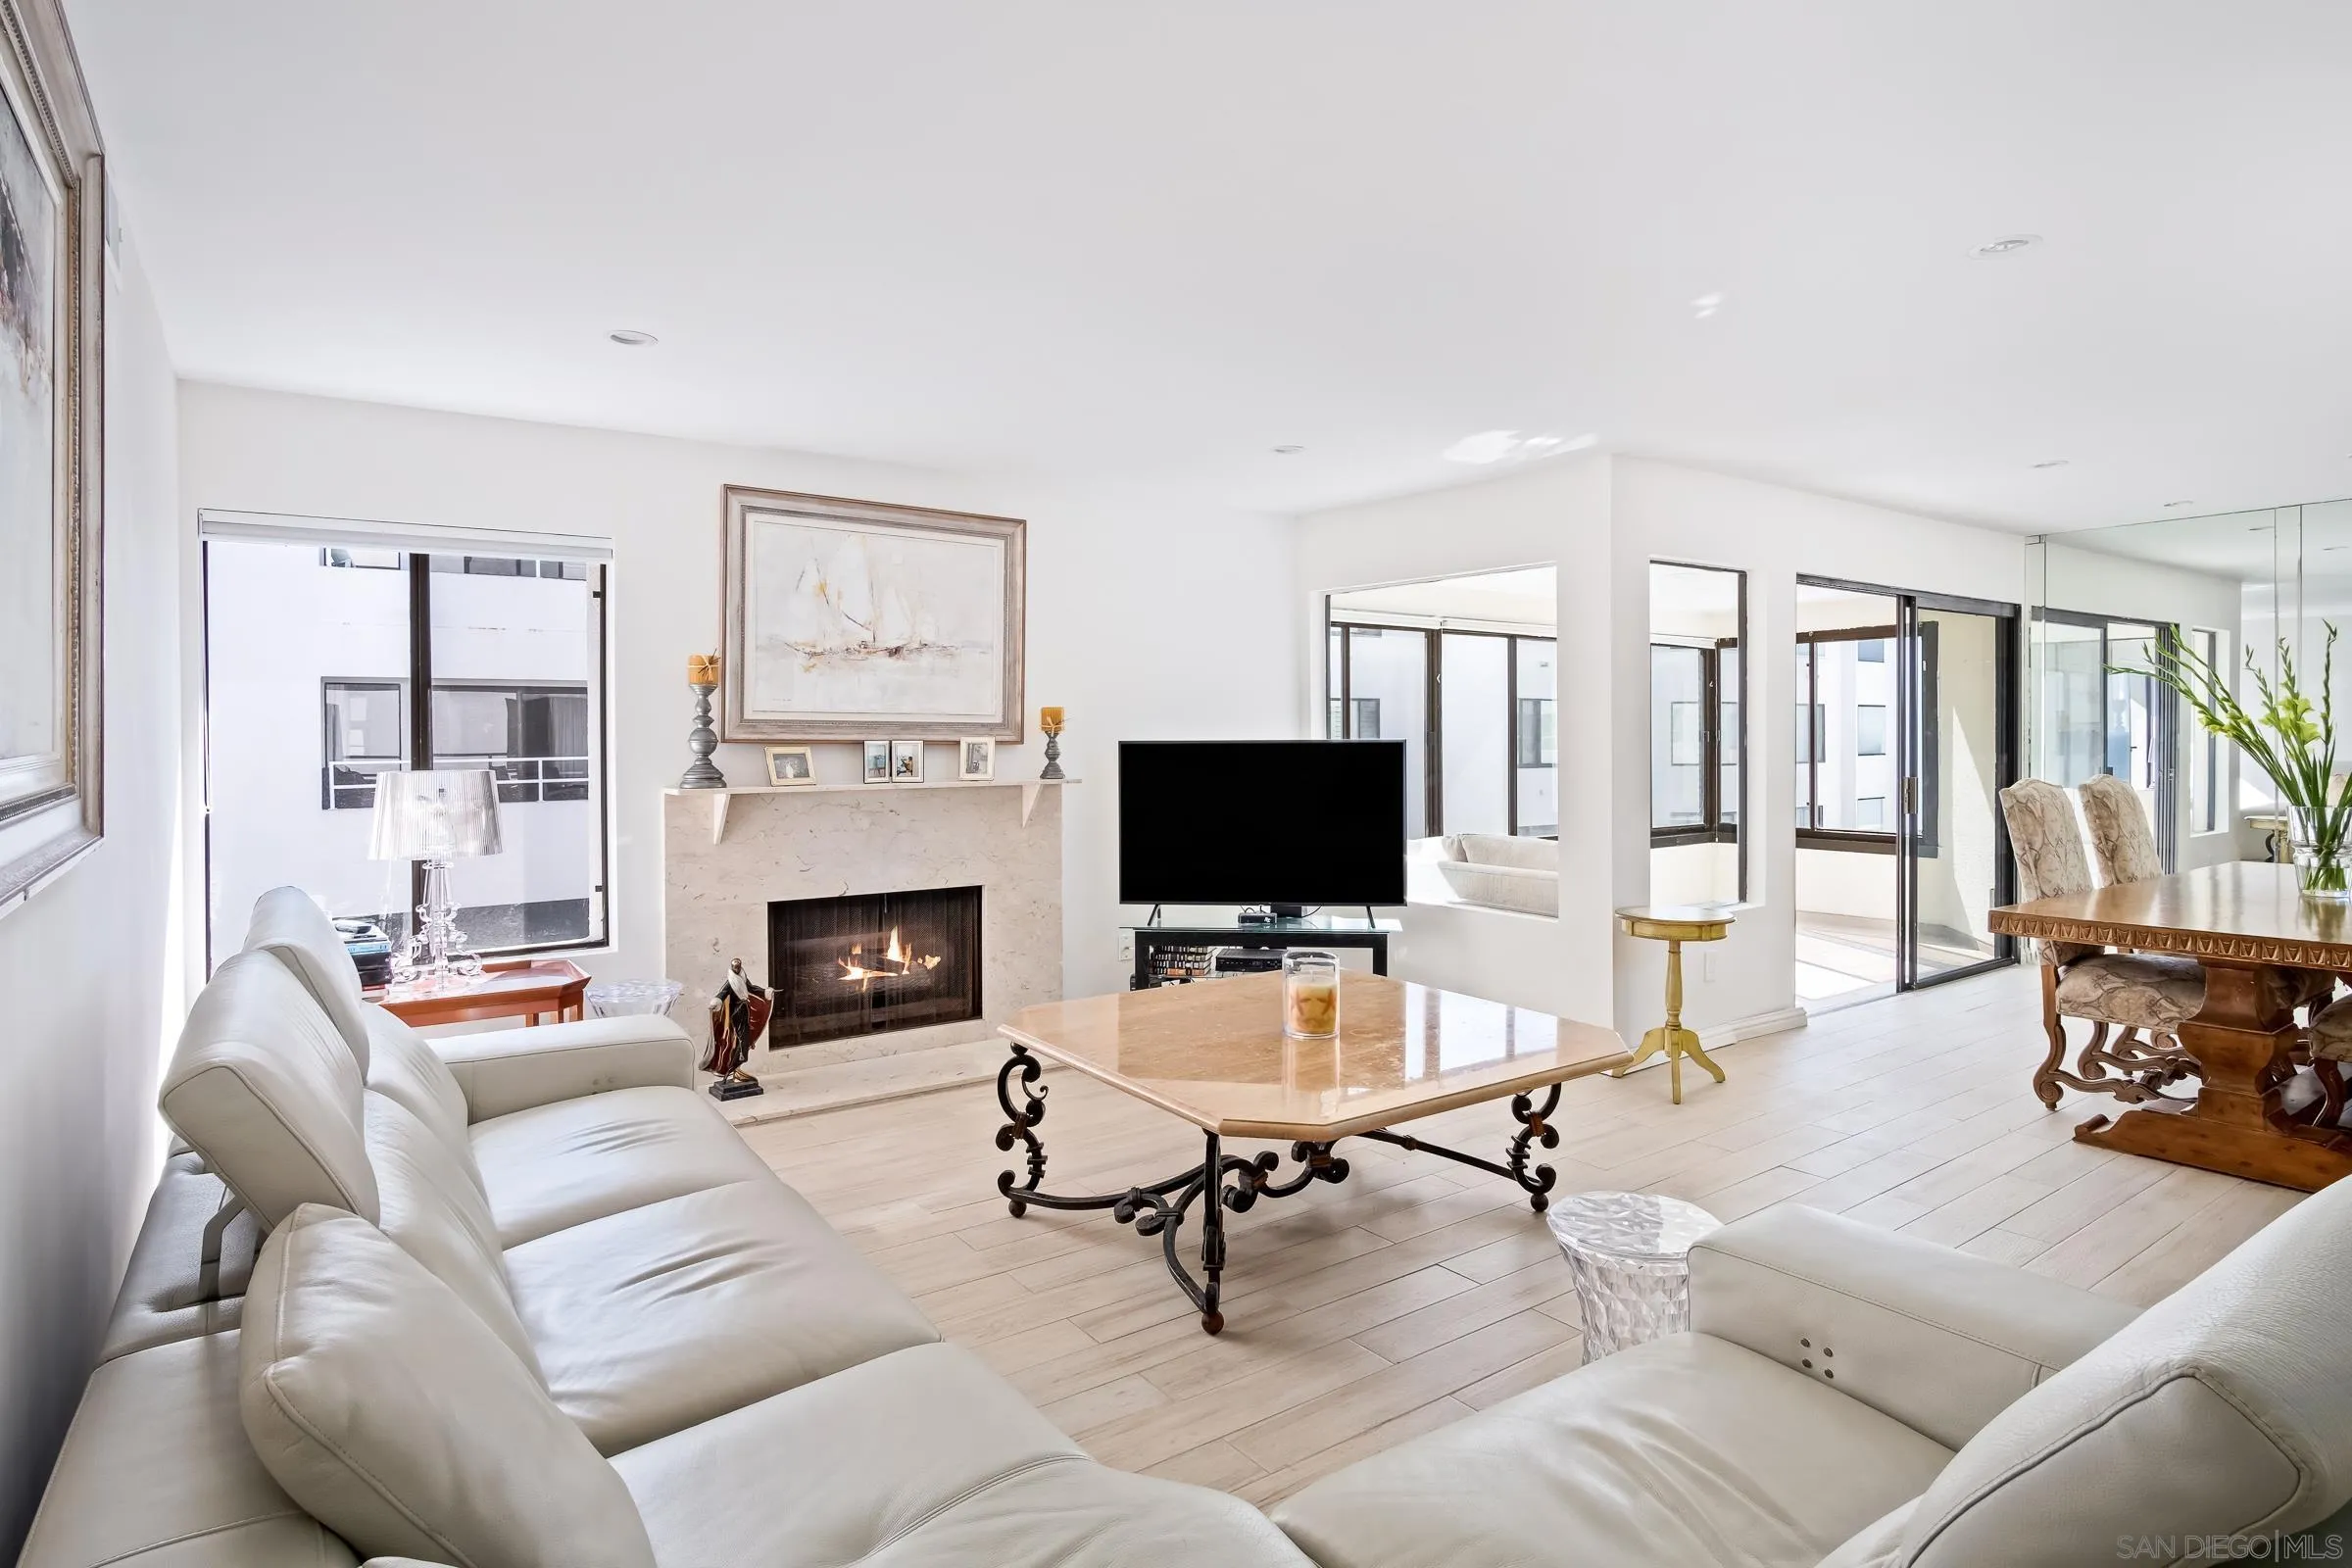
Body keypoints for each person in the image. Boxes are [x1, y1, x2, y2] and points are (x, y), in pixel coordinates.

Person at [702, 958, 770, 1099]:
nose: (737, 969)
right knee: (742, 1039)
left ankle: (736, 1069)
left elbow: (751, 988)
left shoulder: (743, 977)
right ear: (732, 968)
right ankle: (733, 1067)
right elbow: (722, 993)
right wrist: (716, 1001)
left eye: (738, 966)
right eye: (735, 967)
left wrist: (765, 991)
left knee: (744, 1038)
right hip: (737, 1013)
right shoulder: (730, 981)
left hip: (745, 1010)